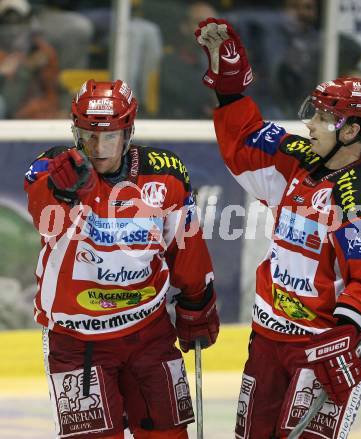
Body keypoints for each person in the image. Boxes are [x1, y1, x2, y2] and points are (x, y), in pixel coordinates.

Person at [195, 18, 361, 439]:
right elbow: (246, 141)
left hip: (324, 350)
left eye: (323, 117)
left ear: (351, 130)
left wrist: (345, 339)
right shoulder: (298, 158)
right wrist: (229, 86)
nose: (309, 123)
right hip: (270, 341)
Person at [24, 79, 219, 439]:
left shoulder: (166, 172)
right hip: (78, 341)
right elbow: (44, 217)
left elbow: (185, 244)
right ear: (75, 131)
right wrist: (64, 191)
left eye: (110, 136)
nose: (98, 148)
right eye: (88, 136)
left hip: (149, 334)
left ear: (128, 132)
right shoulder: (51, 168)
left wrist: (198, 302)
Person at [0, 0, 61, 119]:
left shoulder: (42, 50)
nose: (13, 29)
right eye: (6, 22)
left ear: (28, 21)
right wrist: (2, 75)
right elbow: (1, 99)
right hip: (5, 119)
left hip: (37, 116)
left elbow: (52, 93)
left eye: (18, 21)